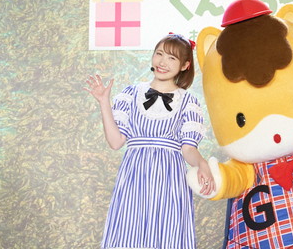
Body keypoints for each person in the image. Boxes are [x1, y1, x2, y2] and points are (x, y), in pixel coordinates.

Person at [84, 33, 215, 249]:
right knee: (128, 234)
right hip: (134, 177)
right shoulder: (131, 93)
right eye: (159, 54)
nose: (163, 62)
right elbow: (116, 142)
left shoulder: (188, 101)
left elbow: (188, 149)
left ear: (185, 65)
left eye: (172, 58)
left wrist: (202, 164)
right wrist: (104, 102)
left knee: (169, 235)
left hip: (170, 180)